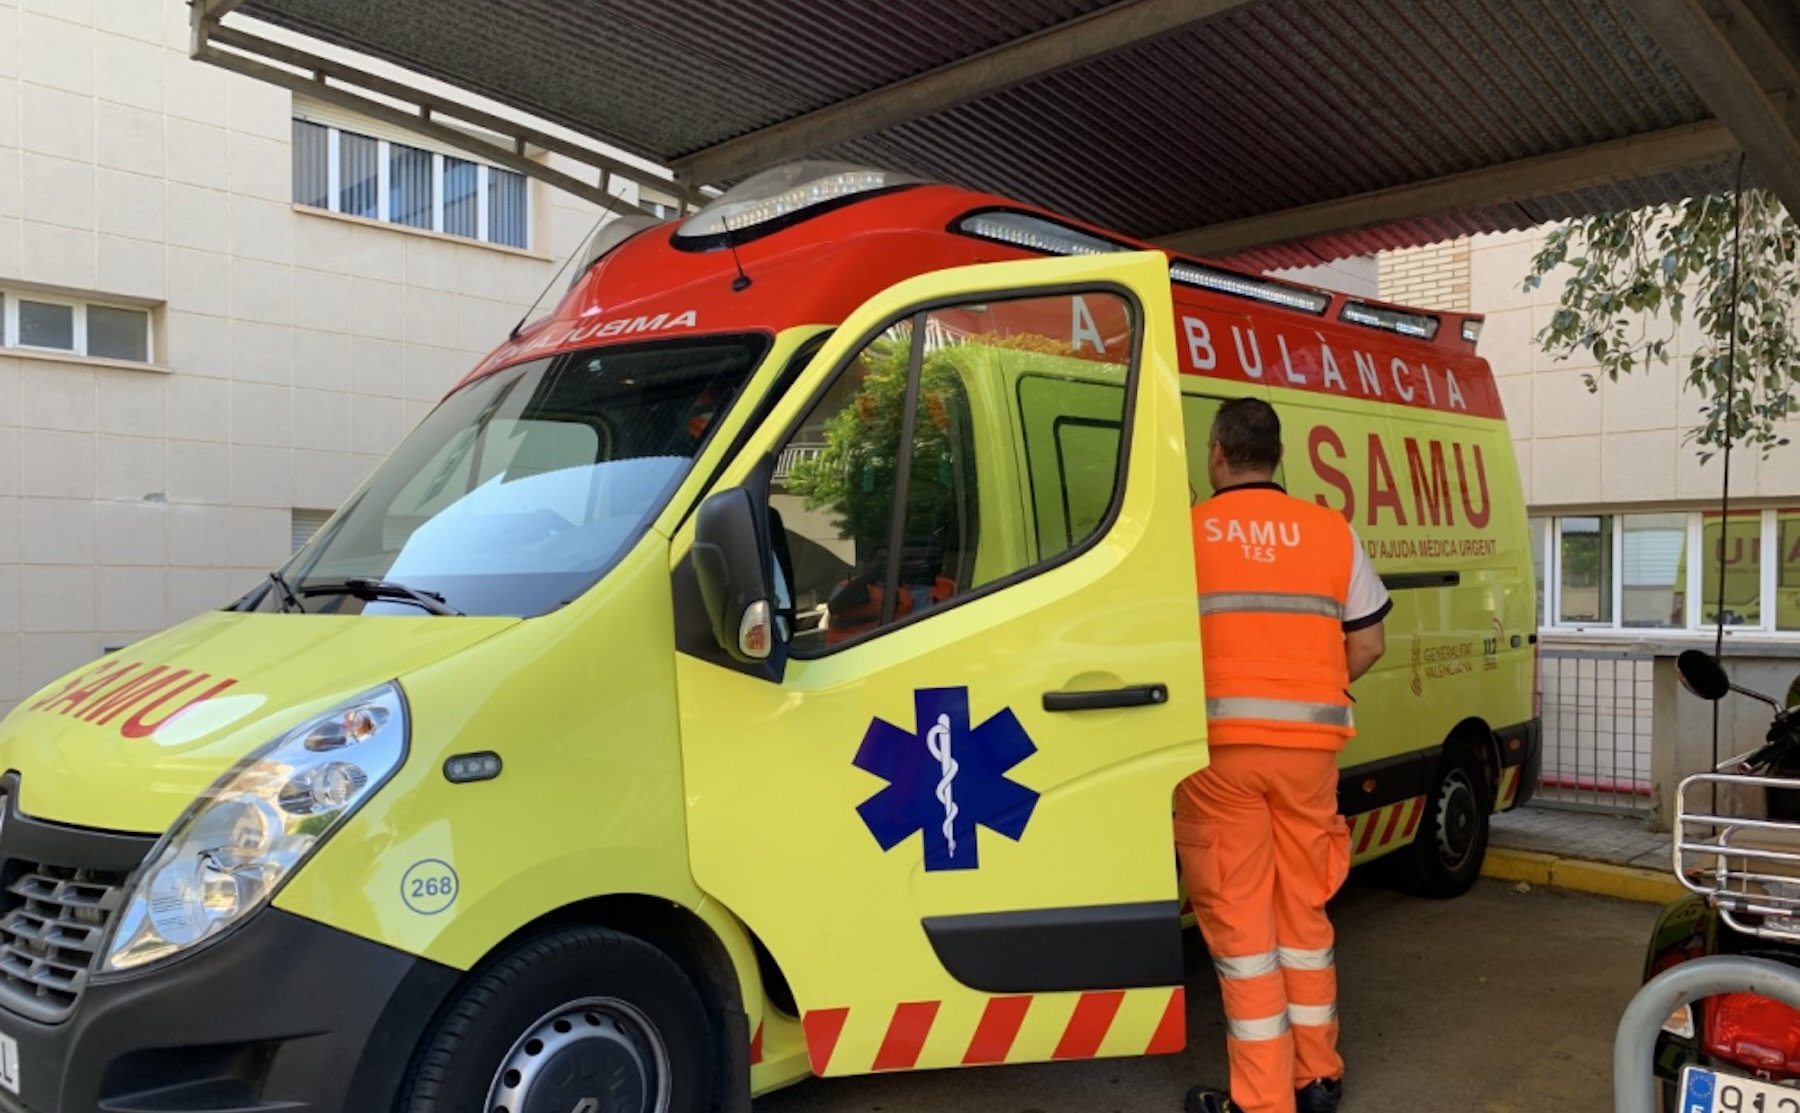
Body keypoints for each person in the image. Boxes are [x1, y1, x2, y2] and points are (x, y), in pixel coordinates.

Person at [1178, 398, 1390, 1113]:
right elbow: (1367, 643)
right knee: (1304, 916)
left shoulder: (1188, 534)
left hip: (1220, 757)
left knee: (1243, 928)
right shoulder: (1330, 530)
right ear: (1277, 456)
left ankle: (1263, 1101)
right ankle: (1319, 1078)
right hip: (1310, 754)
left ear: (1217, 453)